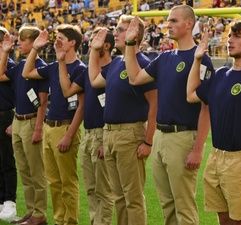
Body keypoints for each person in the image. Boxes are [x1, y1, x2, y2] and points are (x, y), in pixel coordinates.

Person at [124, 5, 213, 225]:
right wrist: (128, 43)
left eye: (174, 21)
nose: (168, 24)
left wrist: (198, 148)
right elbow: (134, 77)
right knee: (167, 204)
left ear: (189, 24)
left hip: (183, 136)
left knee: (184, 205)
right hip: (160, 137)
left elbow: (206, 107)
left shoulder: (200, 57)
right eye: (168, 20)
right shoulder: (165, 58)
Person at [186, 20, 241, 225]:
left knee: (240, 219)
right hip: (216, 156)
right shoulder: (221, 74)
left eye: (236, 36)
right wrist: (197, 59)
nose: (229, 40)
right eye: (229, 36)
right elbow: (191, 94)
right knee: (223, 219)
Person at [88, 15, 157, 225]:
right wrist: (93, 49)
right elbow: (94, 81)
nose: (115, 33)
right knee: (118, 196)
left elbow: (155, 104)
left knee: (132, 197)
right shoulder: (117, 62)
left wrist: (148, 141)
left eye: (120, 29)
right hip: (110, 133)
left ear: (135, 33)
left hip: (130, 133)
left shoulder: (143, 64)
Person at [22, 24, 86, 225]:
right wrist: (36, 48)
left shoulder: (80, 69)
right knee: (54, 182)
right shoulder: (52, 67)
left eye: (61, 38)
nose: (56, 41)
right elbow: (27, 72)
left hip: (66, 128)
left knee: (68, 182)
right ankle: (60, 220)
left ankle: (70, 222)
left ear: (72, 42)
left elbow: (81, 107)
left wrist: (69, 135)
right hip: (50, 128)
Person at [57, 27, 114, 225]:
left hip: (103, 133)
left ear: (106, 45)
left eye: (95, 41)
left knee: (104, 190)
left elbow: (115, 107)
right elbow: (67, 91)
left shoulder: (113, 70)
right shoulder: (91, 73)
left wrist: (106, 140)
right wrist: (61, 62)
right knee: (91, 188)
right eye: (90, 41)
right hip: (88, 134)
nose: (90, 45)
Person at [0, 26, 48, 225]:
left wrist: (38, 128)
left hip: (31, 121)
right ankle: (30, 211)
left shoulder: (41, 66)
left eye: (23, 40)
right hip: (18, 121)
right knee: (25, 170)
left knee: (36, 171)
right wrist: (5, 51)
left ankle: (40, 214)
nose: (19, 43)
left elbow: (43, 101)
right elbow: (0, 73)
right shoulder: (20, 66)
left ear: (35, 43)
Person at [0, 26, 17, 223]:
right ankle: (1, 200)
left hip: (5, 115)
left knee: (7, 161)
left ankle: (9, 200)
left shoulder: (10, 65)